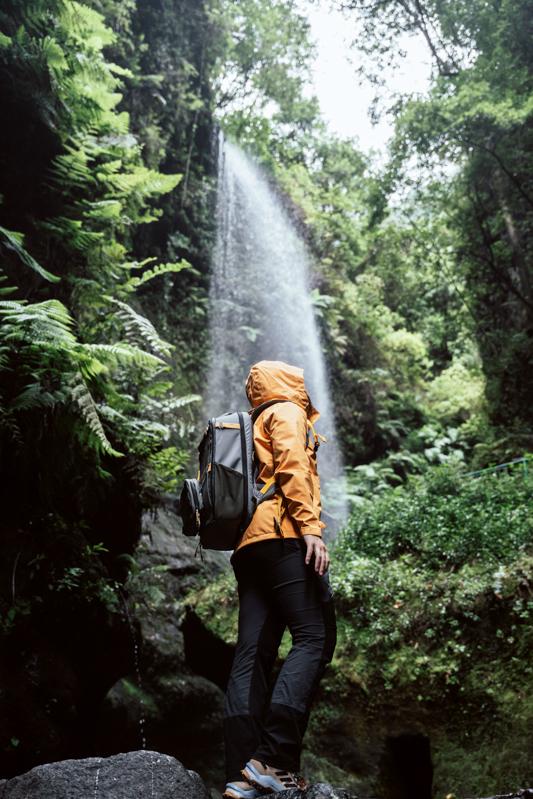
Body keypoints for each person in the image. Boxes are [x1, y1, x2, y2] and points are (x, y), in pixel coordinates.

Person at [223, 360, 337, 799]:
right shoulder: (285, 410)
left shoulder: (251, 424)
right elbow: (292, 466)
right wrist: (310, 528)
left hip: (249, 548)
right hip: (283, 535)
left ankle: (241, 773)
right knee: (315, 637)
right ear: (288, 382)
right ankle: (274, 759)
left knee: (252, 655)